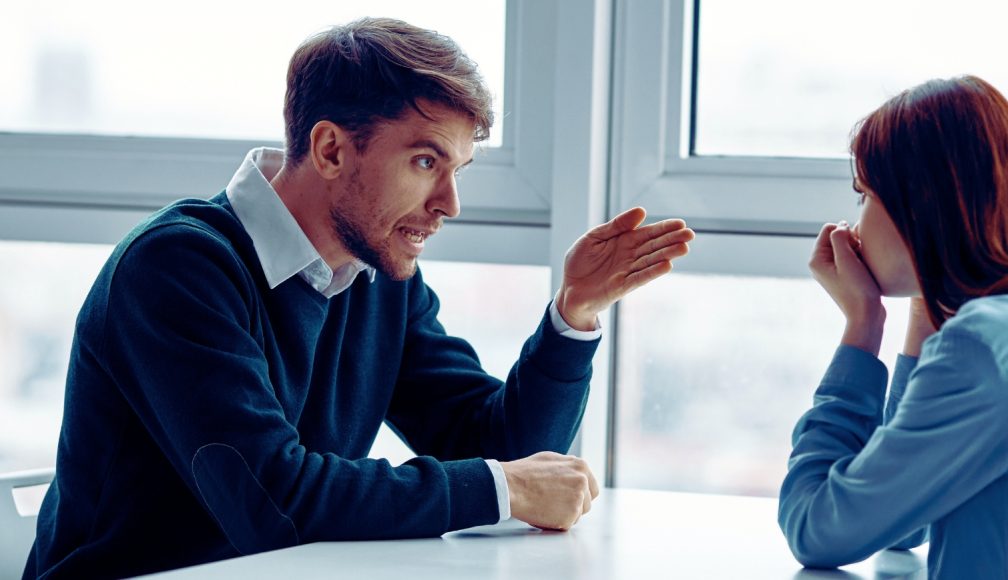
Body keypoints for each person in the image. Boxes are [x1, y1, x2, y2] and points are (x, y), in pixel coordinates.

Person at [24, 18, 695, 578]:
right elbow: (272, 500)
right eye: (426, 161)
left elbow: (506, 447)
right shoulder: (177, 268)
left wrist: (573, 315)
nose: (449, 204)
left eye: (456, 170)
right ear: (330, 149)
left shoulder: (375, 278)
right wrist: (503, 488)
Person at [778, 75, 1008, 578]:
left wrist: (862, 328)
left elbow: (816, 527)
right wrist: (925, 303)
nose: (854, 225)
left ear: (920, 206)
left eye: (863, 195)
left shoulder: (984, 346)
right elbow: (906, 519)